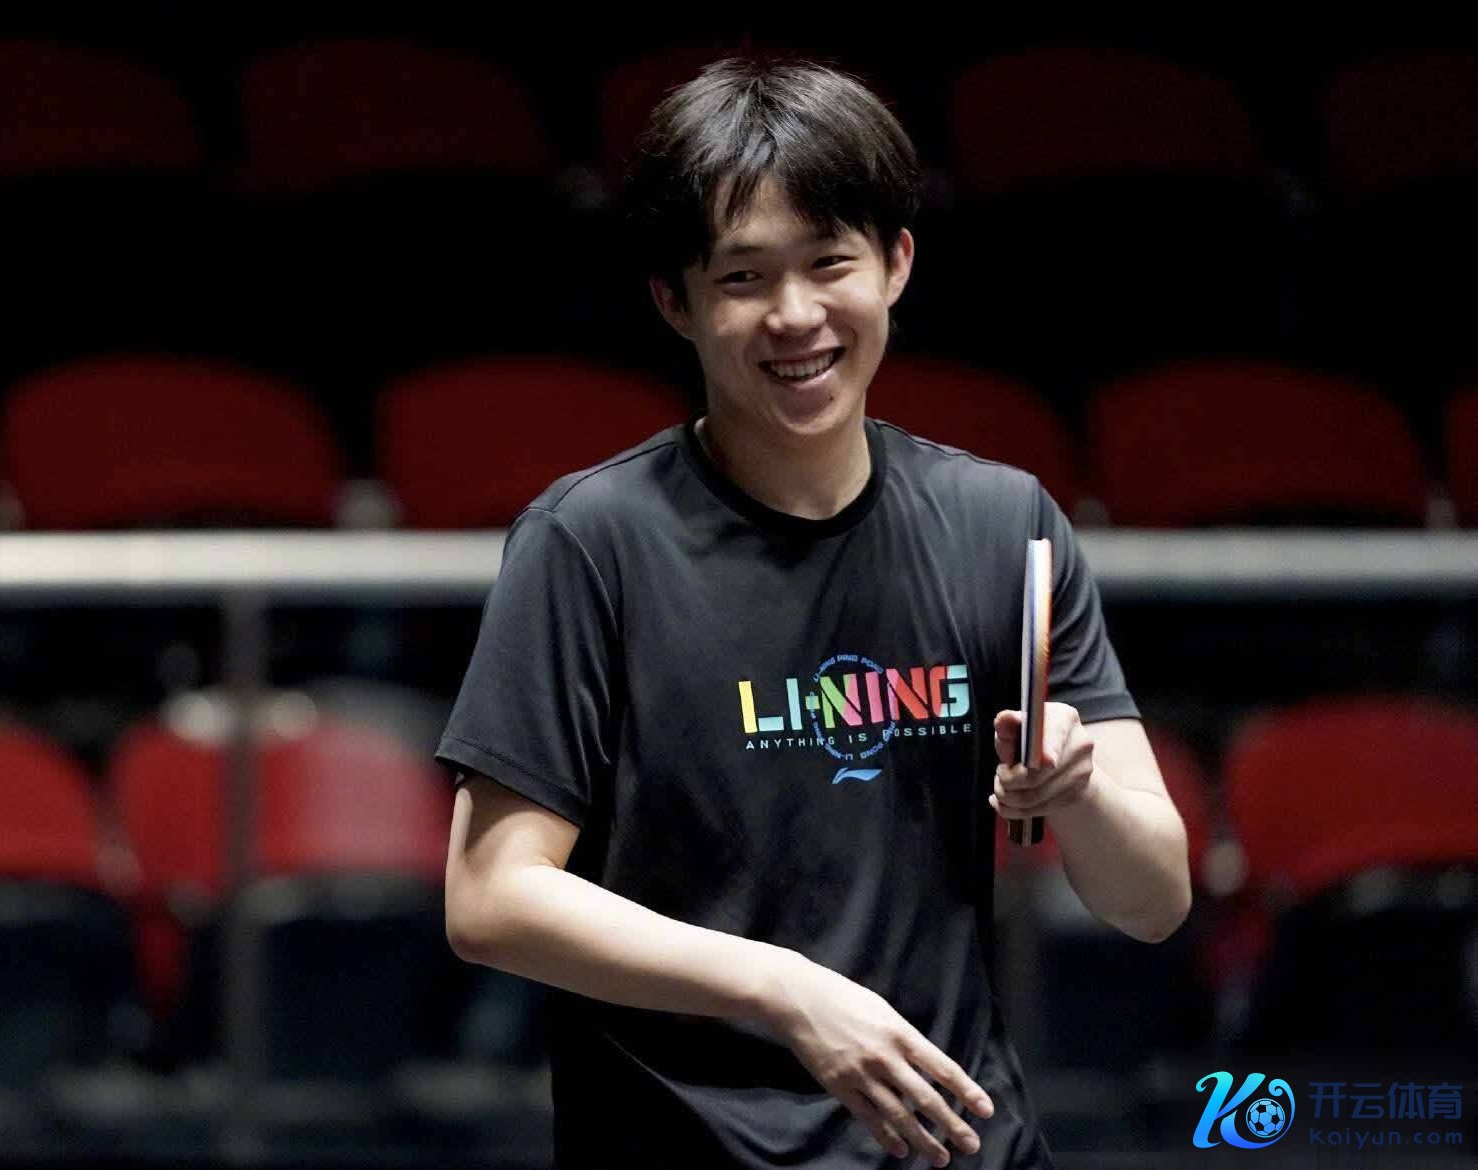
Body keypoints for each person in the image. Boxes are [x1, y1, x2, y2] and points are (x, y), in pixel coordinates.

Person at [437, 54, 1190, 1169]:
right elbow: (490, 899)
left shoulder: (1003, 524)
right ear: (675, 301)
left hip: (957, 1144)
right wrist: (784, 991)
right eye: (743, 278)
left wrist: (1076, 795)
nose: (795, 316)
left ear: (895, 264)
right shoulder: (590, 543)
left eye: (829, 262)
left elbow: (1154, 900)